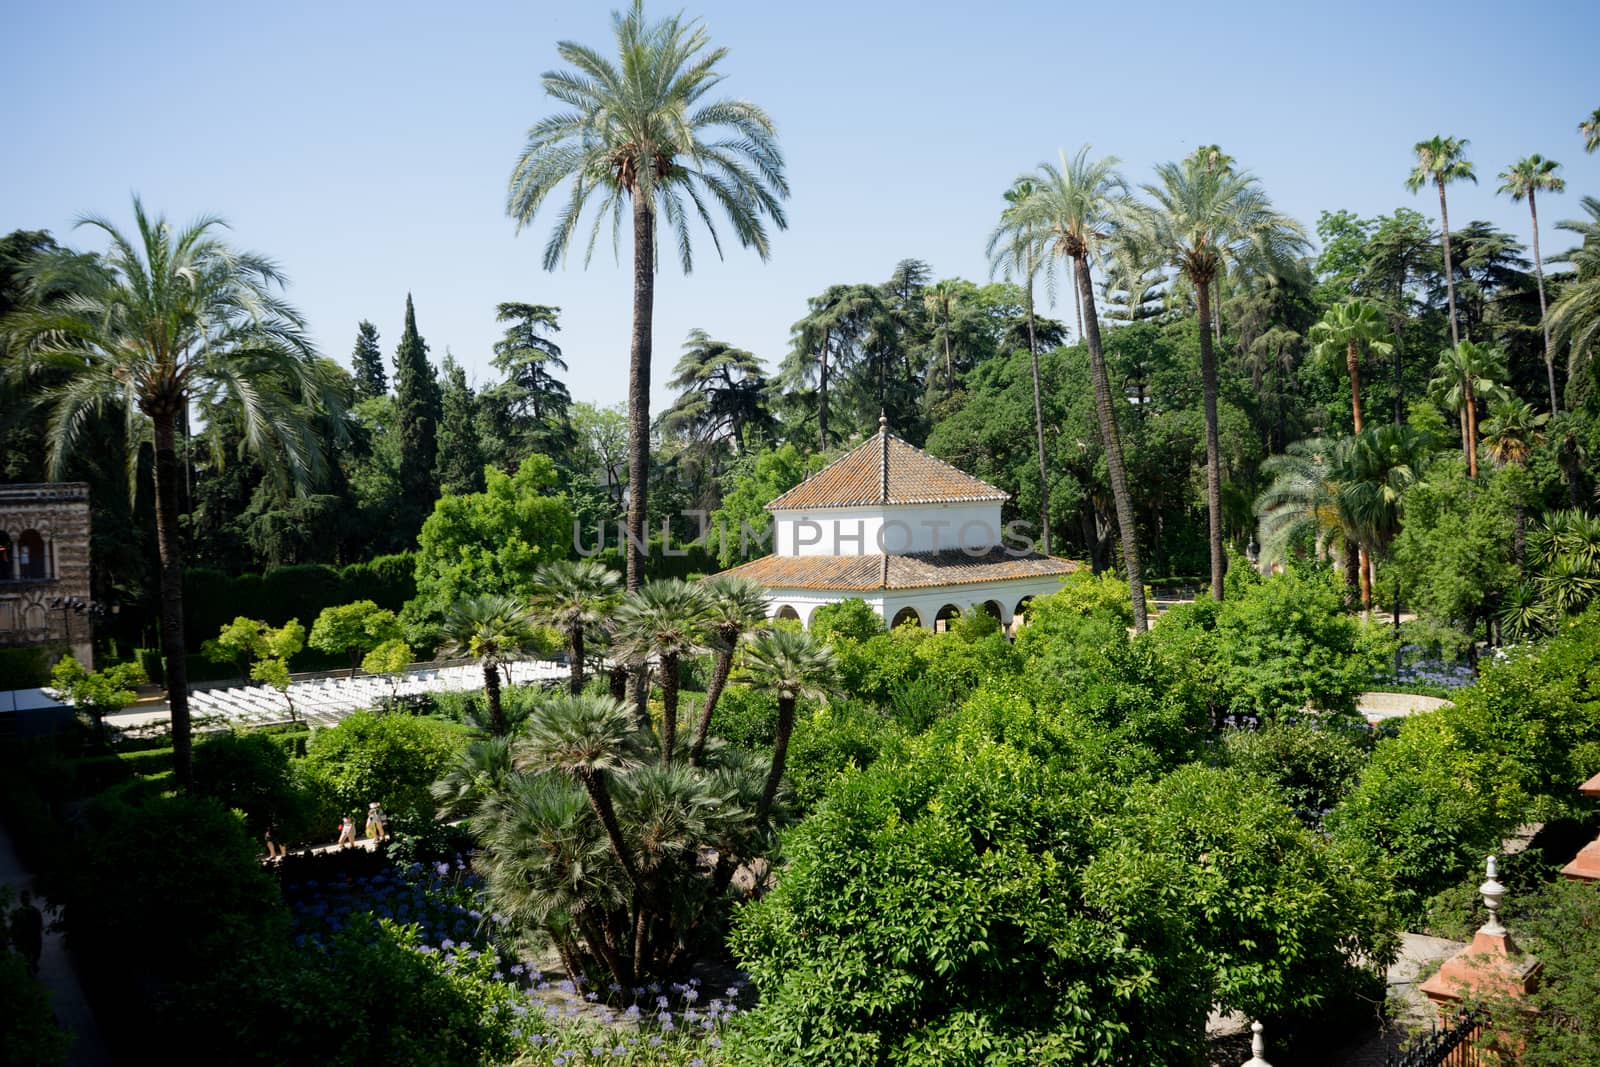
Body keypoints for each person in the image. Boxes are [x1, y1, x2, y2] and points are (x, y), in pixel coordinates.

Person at [10, 890, 44, 977]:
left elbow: (40, 925)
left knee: (35, 954)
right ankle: (29, 969)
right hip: (24, 938)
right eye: (24, 899)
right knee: (27, 955)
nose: (26, 900)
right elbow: (14, 927)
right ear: (22, 900)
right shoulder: (18, 913)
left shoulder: (35, 911)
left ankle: (33, 964)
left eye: (27, 898)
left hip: (34, 937)